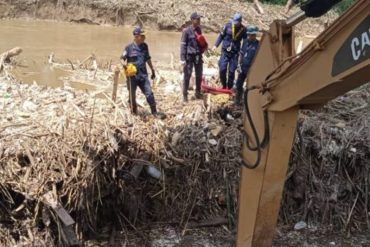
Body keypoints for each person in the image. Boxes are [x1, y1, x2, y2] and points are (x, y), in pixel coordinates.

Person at [120, 26, 163, 118]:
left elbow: (147, 58)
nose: (144, 37)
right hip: (132, 77)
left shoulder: (145, 46)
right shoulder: (128, 48)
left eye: (144, 36)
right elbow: (122, 59)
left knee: (149, 93)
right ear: (136, 36)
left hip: (143, 75)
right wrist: (125, 66)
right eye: (142, 36)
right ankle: (134, 112)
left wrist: (152, 69)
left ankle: (154, 112)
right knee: (132, 95)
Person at [212, 13, 247, 89]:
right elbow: (221, 36)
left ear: (241, 21)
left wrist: (243, 53)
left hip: (235, 53)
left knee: (231, 71)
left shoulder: (243, 30)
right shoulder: (227, 25)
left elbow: (245, 42)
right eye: (234, 22)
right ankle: (224, 85)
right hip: (225, 52)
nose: (235, 24)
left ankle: (229, 87)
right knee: (222, 69)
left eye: (237, 23)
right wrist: (215, 45)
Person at [180, 12, 208, 102]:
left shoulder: (199, 29)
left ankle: (198, 92)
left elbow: (200, 42)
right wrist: (182, 59)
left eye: (199, 19)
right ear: (192, 20)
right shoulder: (186, 31)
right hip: (189, 56)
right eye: (197, 19)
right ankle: (185, 95)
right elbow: (183, 45)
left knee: (199, 74)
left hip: (198, 55)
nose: (199, 20)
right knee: (187, 75)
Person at [234, 25, 260, 105]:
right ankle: (238, 100)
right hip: (243, 67)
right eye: (249, 35)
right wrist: (239, 64)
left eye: (252, 35)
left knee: (250, 87)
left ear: (255, 35)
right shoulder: (245, 42)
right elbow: (241, 54)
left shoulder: (258, 45)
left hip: (251, 69)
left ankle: (249, 102)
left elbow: (258, 58)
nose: (250, 36)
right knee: (239, 84)